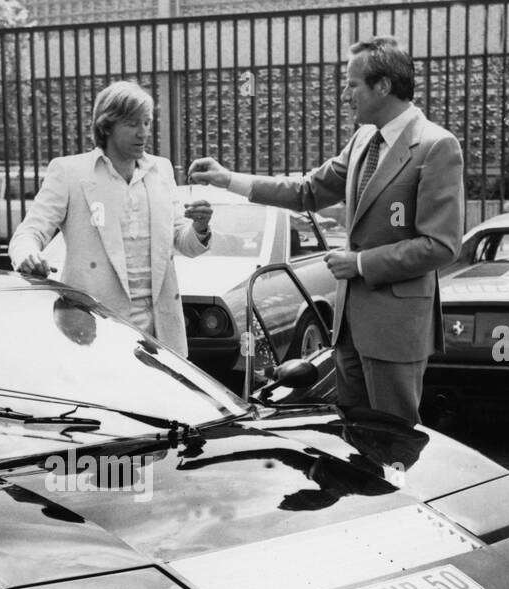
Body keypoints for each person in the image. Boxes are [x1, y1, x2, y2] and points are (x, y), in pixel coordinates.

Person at [188, 37, 463, 425]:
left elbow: (441, 245)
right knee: (355, 438)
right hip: (348, 329)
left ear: (383, 86)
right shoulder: (365, 139)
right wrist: (228, 179)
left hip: (395, 331)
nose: (344, 93)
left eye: (352, 84)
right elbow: (307, 191)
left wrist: (361, 263)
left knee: (394, 437)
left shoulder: (436, 147)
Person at [10, 80, 213, 357]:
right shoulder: (70, 172)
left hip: (160, 332)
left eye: (147, 123)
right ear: (106, 126)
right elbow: (29, 233)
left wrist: (199, 228)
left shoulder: (161, 170)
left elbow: (181, 241)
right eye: (132, 124)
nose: (143, 133)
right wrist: (28, 256)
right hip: (96, 326)